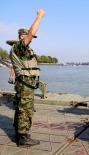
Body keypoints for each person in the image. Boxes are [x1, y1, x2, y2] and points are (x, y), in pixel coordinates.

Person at [8, 8, 45, 147]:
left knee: (21, 108)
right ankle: (22, 138)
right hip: (24, 84)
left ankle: (20, 134)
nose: (31, 39)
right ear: (22, 36)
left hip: (25, 83)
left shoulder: (21, 49)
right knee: (26, 109)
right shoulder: (18, 47)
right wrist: (40, 16)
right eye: (28, 37)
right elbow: (31, 33)